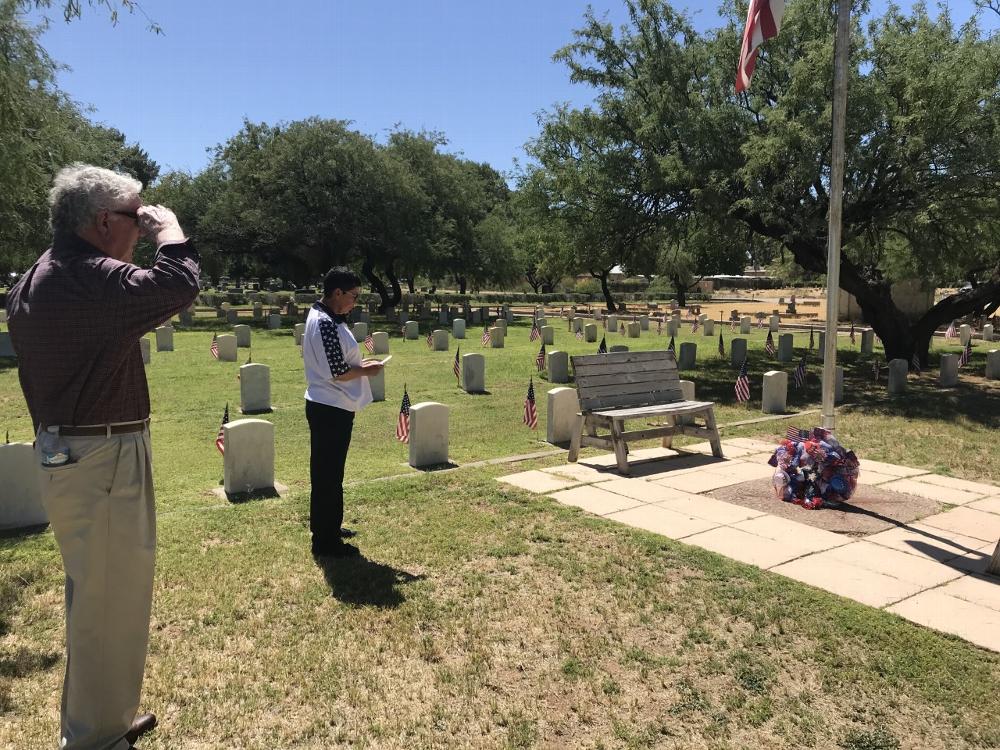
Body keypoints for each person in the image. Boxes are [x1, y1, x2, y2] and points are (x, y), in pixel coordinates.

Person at [6, 164, 200, 750]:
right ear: (100, 221)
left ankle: (103, 721)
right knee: (109, 601)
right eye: (135, 218)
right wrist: (173, 233)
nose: (140, 229)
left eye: (146, 220)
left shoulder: (42, 273)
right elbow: (178, 285)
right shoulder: (88, 276)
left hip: (74, 451)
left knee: (98, 598)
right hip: (103, 455)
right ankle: (94, 738)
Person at [302, 267, 384, 557]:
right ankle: (325, 542)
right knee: (328, 475)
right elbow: (337, 371)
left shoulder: (325, 316)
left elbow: (336, 359)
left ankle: (329, 527)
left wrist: (363, 362)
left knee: (329, 473)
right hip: (330, 407)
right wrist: (367, 370)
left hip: (331, 405)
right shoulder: (324, 322)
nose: (355, 302)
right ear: (337, 293)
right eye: (353, 296)